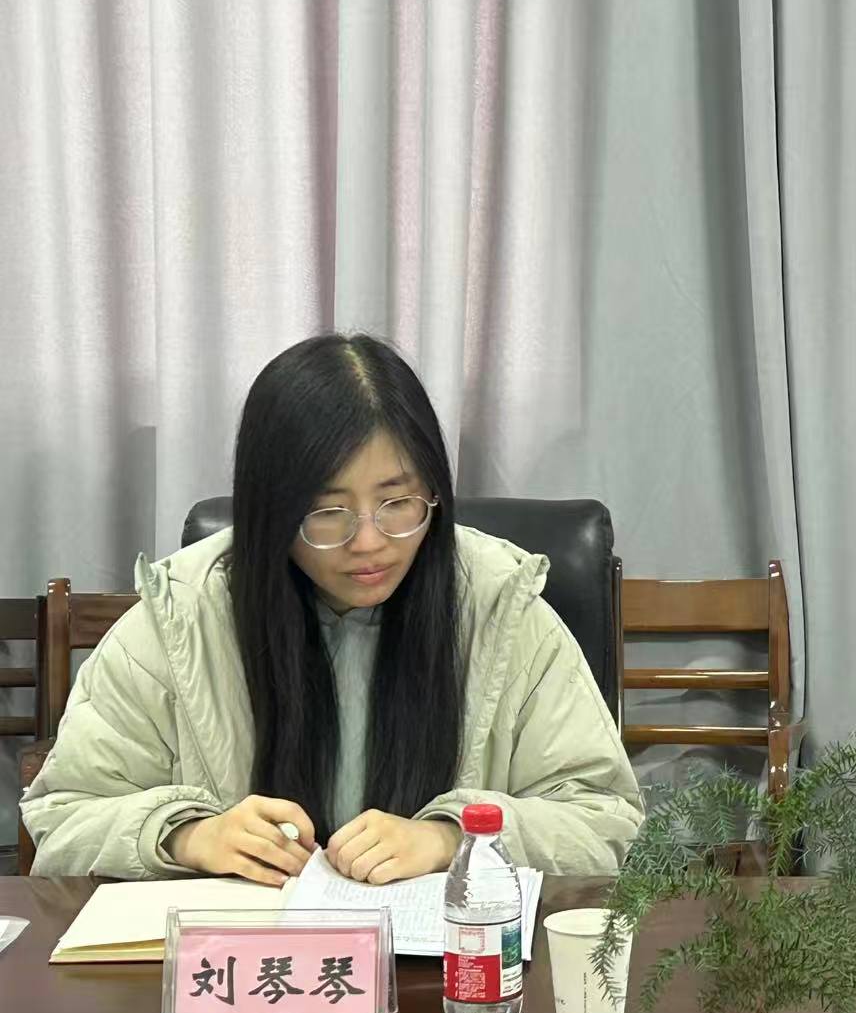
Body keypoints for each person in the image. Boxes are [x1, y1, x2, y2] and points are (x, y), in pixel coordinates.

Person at [23, 334, 643, 884]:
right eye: (327, 511)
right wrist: (187, 836)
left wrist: (449, 838)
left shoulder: (501, 609)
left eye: (397, 502)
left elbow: (604, 820)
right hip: (246, 964)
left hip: (447, 967)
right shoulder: (182, 618)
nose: (369, 541)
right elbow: (64, 819)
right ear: (272, 511)